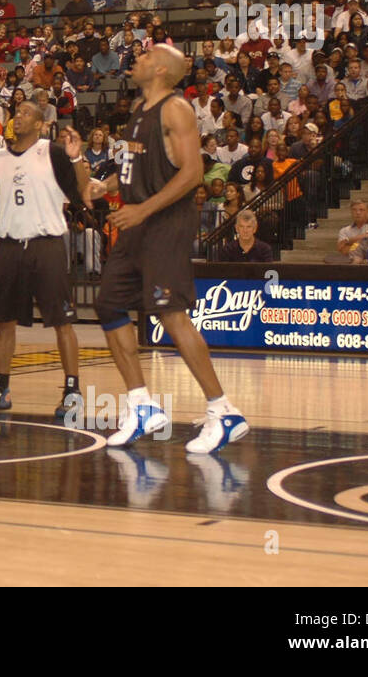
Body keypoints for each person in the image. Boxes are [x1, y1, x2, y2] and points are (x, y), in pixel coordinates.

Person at [87, 43, 249, 453]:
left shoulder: (175, 109)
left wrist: (142, 210)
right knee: (108, 303)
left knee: (171, 314)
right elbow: (134, 167)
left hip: (165, 223)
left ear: (160, 69)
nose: (135, 60)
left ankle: (223, 410)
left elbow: (193, 174)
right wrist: (103, 186)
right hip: (139, 222)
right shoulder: (139, 111)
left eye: (142, 57)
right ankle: (141, 405)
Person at [0, 97, 85, 417]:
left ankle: (73, 391)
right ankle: (0, 388)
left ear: (40, 124)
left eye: (25, 113)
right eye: (14, 113)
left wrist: (76, 162)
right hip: (9, 246)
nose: (17, 117)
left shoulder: (53, 152)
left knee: (62, 322)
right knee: (3, 322)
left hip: (46, 244)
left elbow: (80, 195)